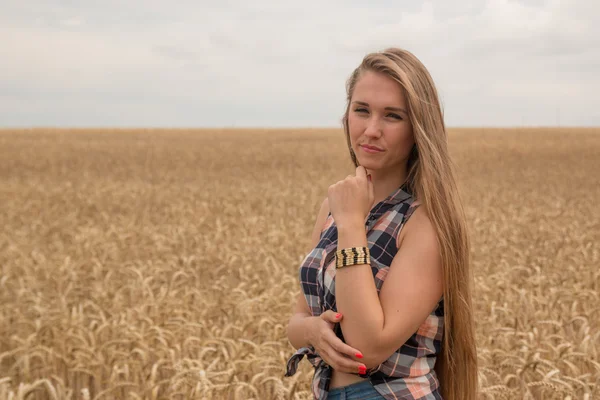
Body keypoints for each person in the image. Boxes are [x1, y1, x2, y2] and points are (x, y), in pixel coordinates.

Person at [284, 48, 478, 400]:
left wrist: (351, 226)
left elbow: (367, 347)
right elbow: (296, 321)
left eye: (392, 116)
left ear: (418, 128)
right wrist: (313, 330)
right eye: (362, 110)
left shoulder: (425, 221)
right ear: (346, 116)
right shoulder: (334, 206)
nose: (371, 130)